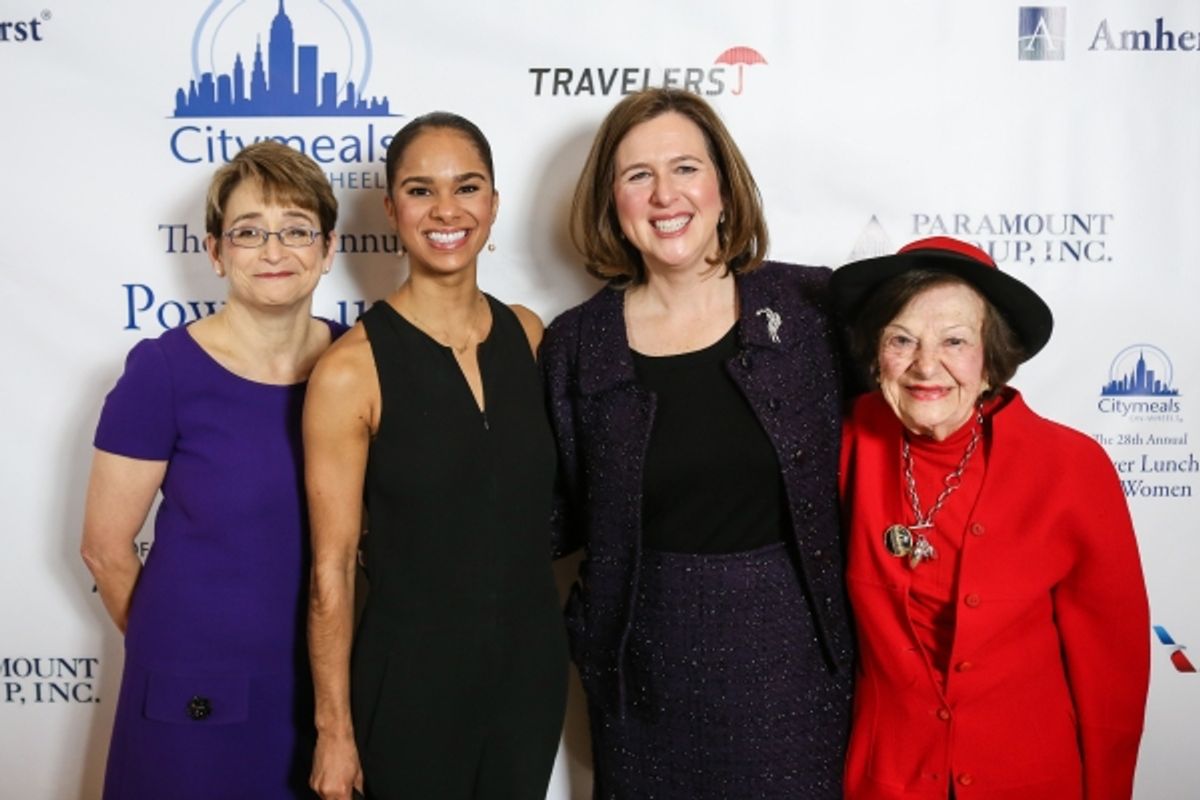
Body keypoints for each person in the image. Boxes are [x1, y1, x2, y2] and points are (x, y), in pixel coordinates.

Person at [540, 87, 854, 798]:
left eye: (684, 167)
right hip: (645, 668)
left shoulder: (811, 311)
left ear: (722, 184)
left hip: (796, 665)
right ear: (610, 201)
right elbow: (547, 516)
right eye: (637, 175)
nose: (664, 195)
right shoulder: (576, 345)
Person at [304, 112, 567, 800]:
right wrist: (334, 730)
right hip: (410, 680)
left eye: (467, 187)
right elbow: (330, 569)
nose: (447, 209)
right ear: (391, 208)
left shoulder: (529, 334)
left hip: (528, 678)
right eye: (421, 190)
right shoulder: (349, 371)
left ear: (493, 203)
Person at [832, 236, 1150, 799]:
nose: (925, 365)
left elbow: (1111, 672)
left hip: (1031, 780)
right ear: (875, 355)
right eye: (902, 340)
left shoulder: (1072, 468)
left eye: (955, 341)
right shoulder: (841, 444)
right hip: (887, 783)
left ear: (989, 361)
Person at [81, 140, 344, 798]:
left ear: (330, 248)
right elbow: (106, 551)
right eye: (250, 232)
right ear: (215, 251)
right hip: (190, 688)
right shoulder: (164, 372)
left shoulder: (359, 362)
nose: (274, 251)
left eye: (296, 230)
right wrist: (174, 653)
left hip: (328, 686)